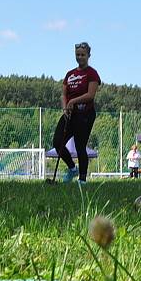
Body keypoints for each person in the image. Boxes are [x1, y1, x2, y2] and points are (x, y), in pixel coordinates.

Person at [52, 42, 101, 185]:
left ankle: (82, 180)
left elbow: (90, 95)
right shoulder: (70, 74)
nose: (80, 57)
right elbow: (63, 94)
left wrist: (73, 101)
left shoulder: (92, 73)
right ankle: (72, 169)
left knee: (80, 146)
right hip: (70, 114)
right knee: (57, 142)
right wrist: (65, 108)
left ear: (88, 56)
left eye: (82, 55)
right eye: (77, 55)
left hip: (85, 114)